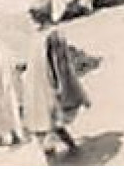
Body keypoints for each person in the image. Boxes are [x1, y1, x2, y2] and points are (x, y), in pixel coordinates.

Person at [21, 28, 89, 159]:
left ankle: (62, 154)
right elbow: (58, 63)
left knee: (47, 124)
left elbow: (57, 64)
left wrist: (59, 85)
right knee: (51, 122)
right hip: (41, 84)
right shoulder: (48, 35)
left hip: (40, 85)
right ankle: (72, 149)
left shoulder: (41, 36)